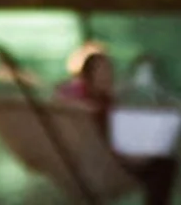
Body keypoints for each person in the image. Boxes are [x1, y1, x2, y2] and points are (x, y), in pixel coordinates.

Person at [59, 43, 179, 205]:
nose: (109, 75)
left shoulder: (103, 99)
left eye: (110, 70)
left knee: (163, 160)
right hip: (107, 164)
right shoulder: (94, 106)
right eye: (103, 71)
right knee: (164, 165)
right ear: (89, 77)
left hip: (108, 158)